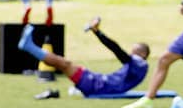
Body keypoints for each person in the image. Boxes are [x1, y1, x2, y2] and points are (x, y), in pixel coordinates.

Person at [17, 16, 150, 97]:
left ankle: (29, 46)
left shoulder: (140, 64)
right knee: (64, 64)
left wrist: (97, 32)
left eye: (135, 50)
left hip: (99, 86)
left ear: (143, 54)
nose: (131, 52)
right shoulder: (136, 65)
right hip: (99, 83)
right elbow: (119, 52)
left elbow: (117, 50)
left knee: (64, 64)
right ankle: (29, 46)